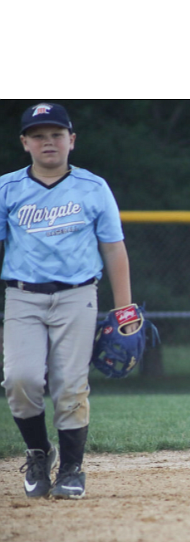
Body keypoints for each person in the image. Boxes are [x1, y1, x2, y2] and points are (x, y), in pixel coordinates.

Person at [0, 102, 135, 498]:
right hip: (22, 297)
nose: (48, 142)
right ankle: (40, 454)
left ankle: (72, 469)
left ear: (71, 141)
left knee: (69, 385)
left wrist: (124, 308)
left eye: (56, 135)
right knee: (20, 379)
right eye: (39, 136)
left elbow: (113, 249)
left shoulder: (93, 188)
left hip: (78, 296)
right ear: (24, 142)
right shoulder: (7, 188)